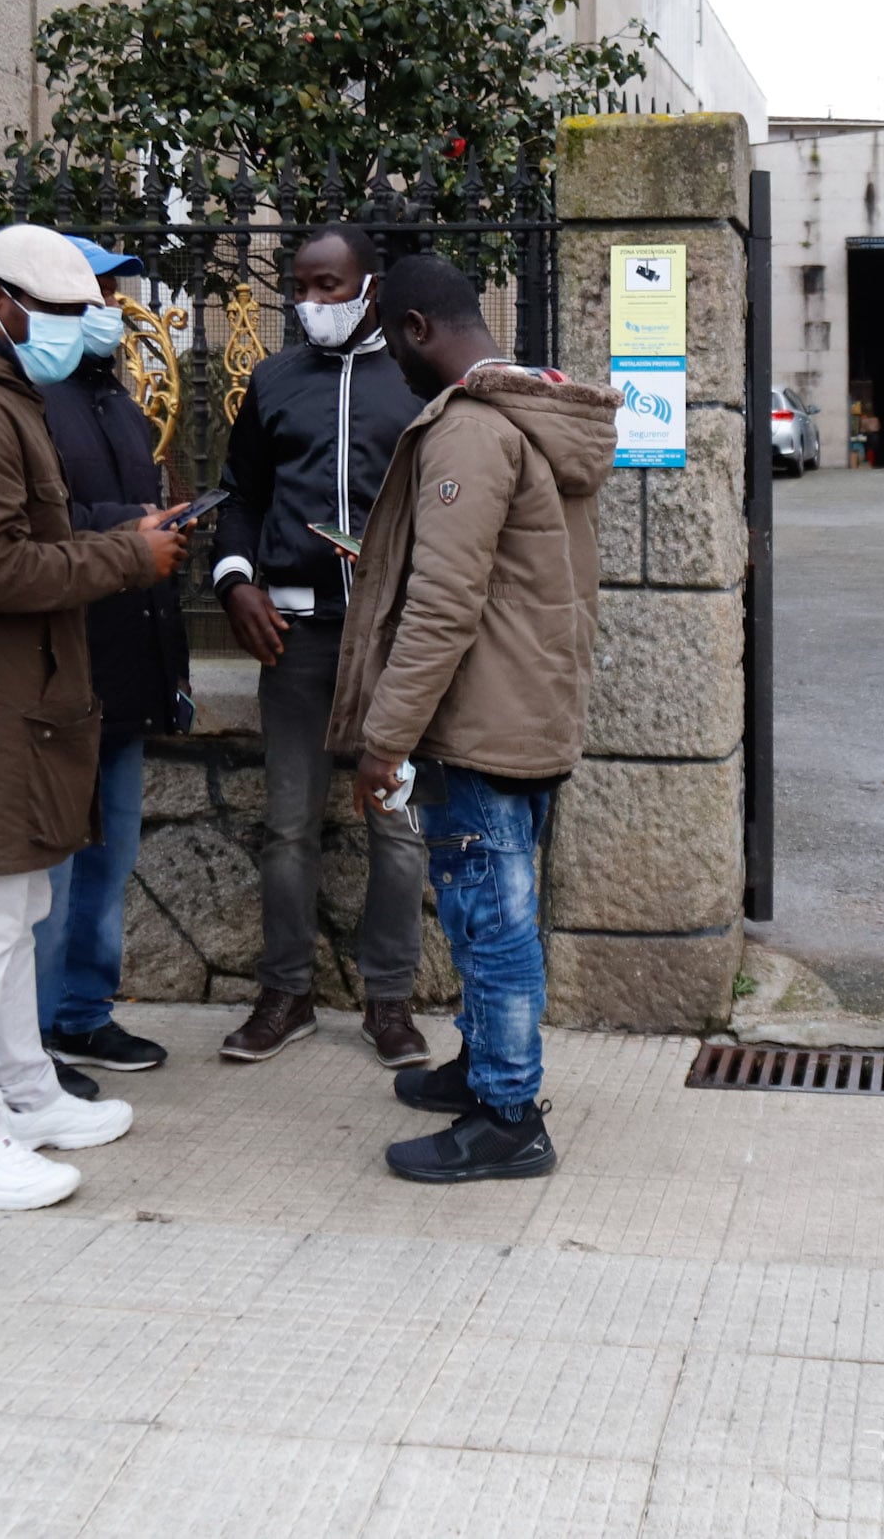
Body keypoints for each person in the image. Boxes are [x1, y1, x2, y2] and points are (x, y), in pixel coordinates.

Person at [0, 223, 192, 1211]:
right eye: (64, 314)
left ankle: (22, 1093)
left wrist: (117, 543)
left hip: (14, 698)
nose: (80, 333)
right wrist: (125, 560)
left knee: (16, 911)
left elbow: (21, 544)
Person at [328, 254, 618, 1182]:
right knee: (494, 914)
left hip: (483, 727)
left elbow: (444, 604)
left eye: (390, 341)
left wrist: (385, 738)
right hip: (528, 712)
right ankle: (482, 1068)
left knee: (491, 927)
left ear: (419, 329)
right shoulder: (537, 416)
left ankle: (507, 1116)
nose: (390, 365)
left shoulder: (470, 432)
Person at [207, 225, 433, 1069]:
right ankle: (287, 992)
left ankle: (390, 1001)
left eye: (329, 286)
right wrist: (235, 582)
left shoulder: (415, 384)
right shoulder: (272, 382)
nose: (313, 303)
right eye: (301, 287)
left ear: (370, 286)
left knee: (397, 826)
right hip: (293, 637)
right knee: (290, 826)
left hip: (391, 644)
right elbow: (239, 497)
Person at [28, 237, 191, 1081]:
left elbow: (129, 507)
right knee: (50, 871)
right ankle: (32, 1035)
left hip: (125, 671)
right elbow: (35, 526)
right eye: (95, 293)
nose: (112, 308)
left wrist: (165, 524)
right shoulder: (23, 402)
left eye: (114, 292)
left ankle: (84, 1015)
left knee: (108, 856)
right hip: (61, 672)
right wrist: (129, 527)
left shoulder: (118, 402)